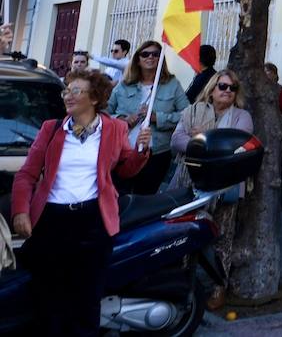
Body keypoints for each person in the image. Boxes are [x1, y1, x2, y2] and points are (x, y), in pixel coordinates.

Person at [12, 68, 151, 335]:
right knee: (48, 297)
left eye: (76, 91)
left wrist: (142, 151)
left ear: (95, 98)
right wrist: (21, 211)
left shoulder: (114, 129)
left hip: (93, 222)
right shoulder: (51, 129)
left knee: (87, 298)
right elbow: (27, 175)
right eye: (67, 90)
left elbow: (126, 169)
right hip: (52, 220)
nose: (68, 96)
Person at [170, 69, 253, 310]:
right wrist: (206, 143)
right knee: (186, 231)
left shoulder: (241, 117)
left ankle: (219, 288)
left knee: (222, 236)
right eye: (222, 86)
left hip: (225, 184)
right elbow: (177, 140)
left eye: (232, 88)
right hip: (191, 182)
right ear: (212, 88)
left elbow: (237, 145)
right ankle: (183, 283)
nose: (227, 91)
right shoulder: (193, 111)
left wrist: (200, 138)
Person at [108, 41, 190, 195]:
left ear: (161, 60)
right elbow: (104, 113)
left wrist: (157, 118)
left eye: (155, 54)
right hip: (124, 152)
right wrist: (122, 119)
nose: (150, 57)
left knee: (145, 198)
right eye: (145, 54)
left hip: (156, 154)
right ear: (138, 59)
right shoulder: (124, 85)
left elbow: (187, 115)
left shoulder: (172, 84)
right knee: (119, 196)